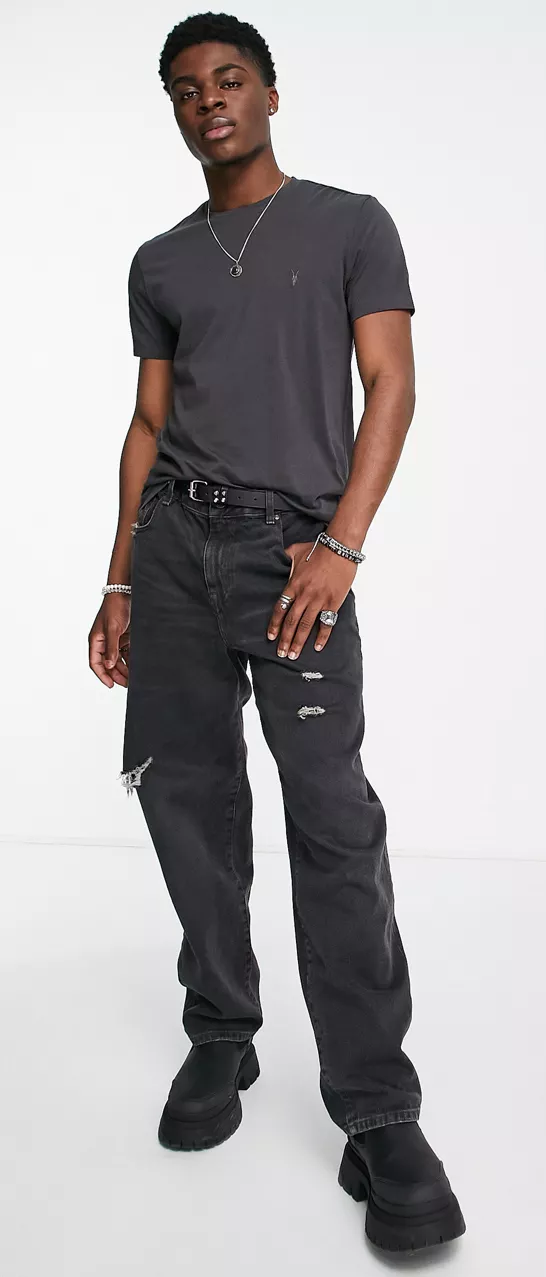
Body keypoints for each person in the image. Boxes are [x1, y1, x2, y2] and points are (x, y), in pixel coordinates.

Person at [87, 12, 465, 1253]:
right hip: (173, 552)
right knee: (184, 796)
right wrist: (120, 576)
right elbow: (149, 424)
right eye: (185, 87)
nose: (209, 99)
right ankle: (222, 1029)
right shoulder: (159, 260)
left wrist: (340, 545)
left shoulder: (351, 223)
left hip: (292, 553)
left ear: (270, 93)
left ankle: (378, 1111)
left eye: (229, 78)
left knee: (332, 818)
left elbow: (392, 382)